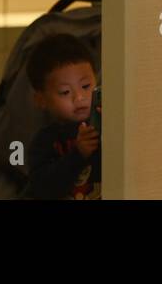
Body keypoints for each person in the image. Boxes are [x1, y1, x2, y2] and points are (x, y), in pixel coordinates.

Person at [22, 33, 102, 200]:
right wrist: (78, 154)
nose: (79, 97)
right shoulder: (45, 141)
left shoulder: (106, 124)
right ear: (41, 100)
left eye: (86, 86)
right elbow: (42, 189)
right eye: (65, 92)